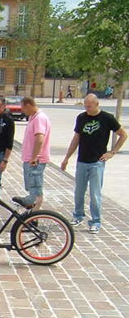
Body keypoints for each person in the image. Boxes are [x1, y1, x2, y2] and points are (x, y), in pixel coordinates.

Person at [60, 94, 127, 234]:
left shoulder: (107, 118)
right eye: (85, 105)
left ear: (96, 104)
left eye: (89, 106)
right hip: (82, 160)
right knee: (79, 191)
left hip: (97, 162)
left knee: (95, 194)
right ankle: (78, 216)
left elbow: (123, 134)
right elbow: (76, 138)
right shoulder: (81, 118)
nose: (87, 108)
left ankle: (95, 221)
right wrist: (67, 157)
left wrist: (112, 152)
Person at [14, 96, 52, 211]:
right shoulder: (32, 117)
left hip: (36, 160)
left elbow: (39, 138)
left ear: (28, 105)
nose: (22, 111)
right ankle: (32, 214)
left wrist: (34, 157)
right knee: (32, 187)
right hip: (30, 158)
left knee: (35, 189)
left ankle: (34, 215)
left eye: (23, 108)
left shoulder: (39, 118)